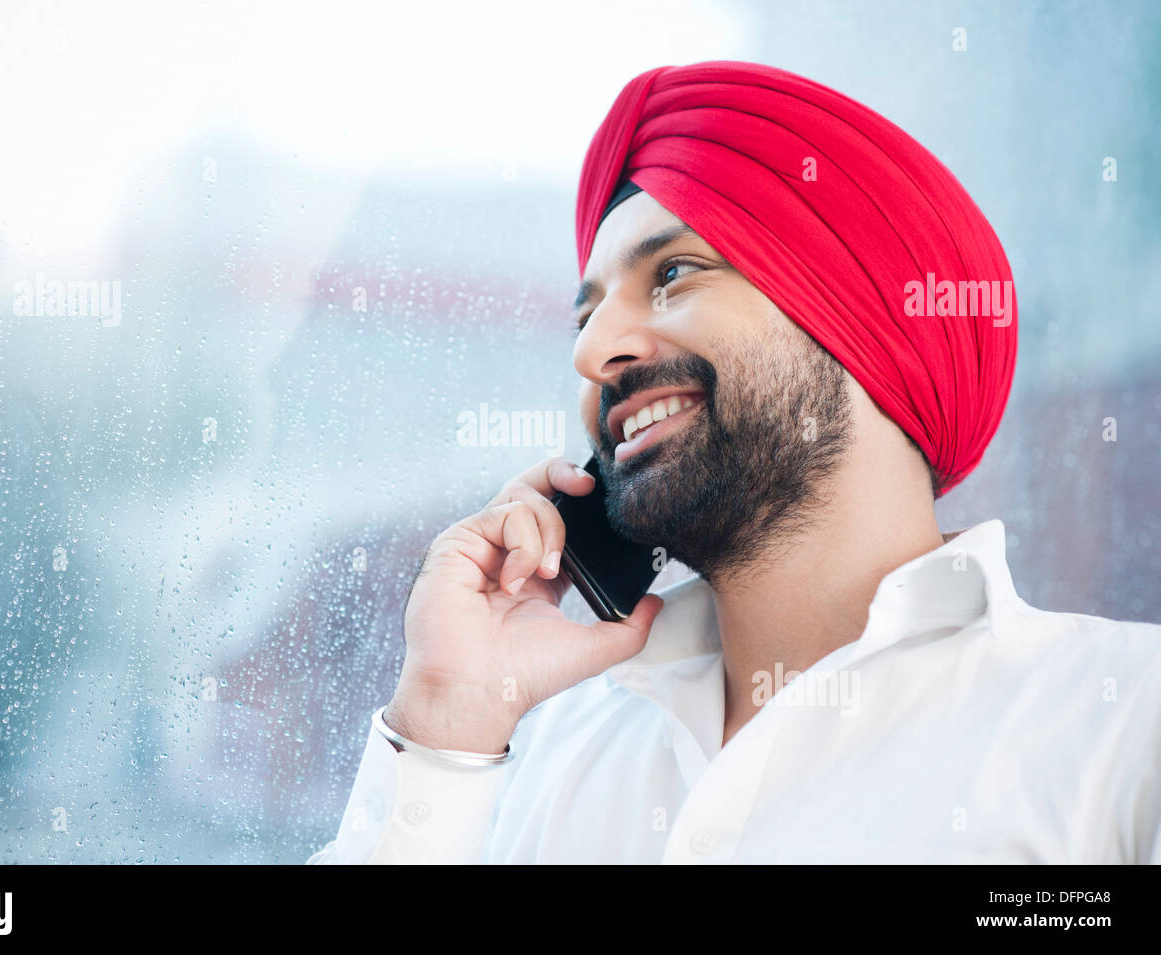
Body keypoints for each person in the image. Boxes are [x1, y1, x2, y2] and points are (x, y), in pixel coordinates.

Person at [307, 61, 1161, 864]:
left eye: (674, 273)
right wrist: (447, 712)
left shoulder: (1123, 725)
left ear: (857, 322)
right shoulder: (533, 755)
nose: (592, 353)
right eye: (585, 319)